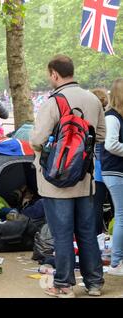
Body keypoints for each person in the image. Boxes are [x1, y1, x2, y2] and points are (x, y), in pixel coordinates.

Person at [30, 54, 105, 297]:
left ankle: (63, 285)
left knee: (62, 234)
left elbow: (36, 140)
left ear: (54, 74)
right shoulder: (93, 99)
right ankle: (94, 283)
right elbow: (101, 135)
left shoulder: (53, 102)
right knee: (86, 232)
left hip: (55, 181)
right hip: (84, 179)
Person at [102, 78, 123, 276]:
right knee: (121, 216)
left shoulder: (117, 117)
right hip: (114, 171)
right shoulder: (112, 117)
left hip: (117, 171)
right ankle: (117, 262)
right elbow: (111, 145)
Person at [91, 88, 111, 235]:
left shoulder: (93, 120)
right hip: (112, 167)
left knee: (96, 204)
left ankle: (97, 234)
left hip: (97, 169)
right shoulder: (111, 117)